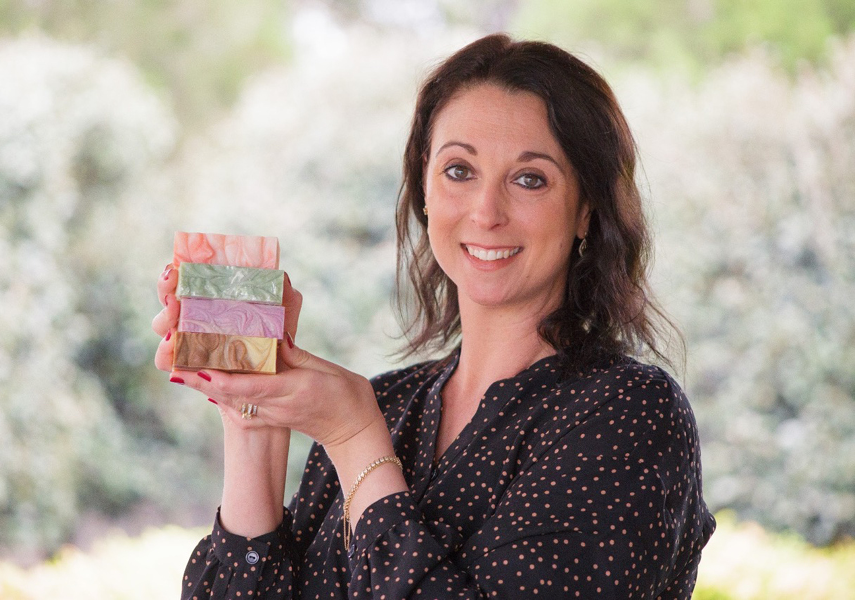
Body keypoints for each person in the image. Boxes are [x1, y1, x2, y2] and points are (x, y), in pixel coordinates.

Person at [152, 33, 715, 599]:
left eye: (529, 179)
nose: (486, 211)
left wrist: (355, 439)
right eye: (459, 171)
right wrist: (253, 417)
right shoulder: (388, 406)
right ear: (424, 187)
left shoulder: (629, 414)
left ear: (587, 210)